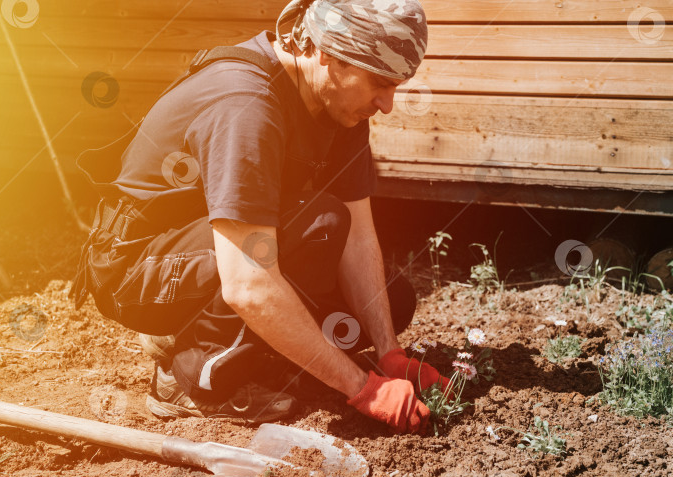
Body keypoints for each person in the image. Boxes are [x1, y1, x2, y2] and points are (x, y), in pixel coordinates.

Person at [70, 0, 450, 434]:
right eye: (379, 83)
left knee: (391, 300)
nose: (387, 104)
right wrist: (364, 388)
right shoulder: (247, 104)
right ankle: (191, 377)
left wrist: (389, 354)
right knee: (317, 225)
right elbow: (247, 283)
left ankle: (232, 343)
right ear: (327, 53)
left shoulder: (340, 107)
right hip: (136, 268)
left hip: (216, 251)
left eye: (397, 87)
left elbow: (359, 235)